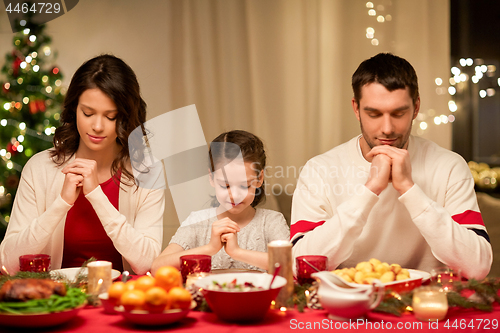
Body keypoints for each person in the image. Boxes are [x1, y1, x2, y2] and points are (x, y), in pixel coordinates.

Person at [290, 53, 492, 279]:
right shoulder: (319, 170)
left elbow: (478, 267)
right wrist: (369, 191)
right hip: (349, 306)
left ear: (416, 107)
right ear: (356, 108)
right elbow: (301, 266)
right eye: (374, 113)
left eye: (398, 113)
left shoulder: (450, 166)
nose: (387, 128)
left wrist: (410, 190)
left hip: (426, 305)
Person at [0, 55, 165, 275]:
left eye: (110, 116)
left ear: (125, 117)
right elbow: (8, 264)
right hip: (55, 301)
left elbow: (148, 263)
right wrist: (61, 203)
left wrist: (97, 196)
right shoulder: (39, 168)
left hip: (122, 300)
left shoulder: (147, 171)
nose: (97, 126)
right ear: (74, 110)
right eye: (87, 113)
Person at [151, 130, 289, 274]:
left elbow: (290, 265)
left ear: (259, 178)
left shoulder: (272, 221)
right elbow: (157, 267)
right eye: (226, 186)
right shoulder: (197, 221)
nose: (235, 195)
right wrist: (210, 248)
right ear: (211, 178)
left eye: (244, 185)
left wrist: (237, 252)